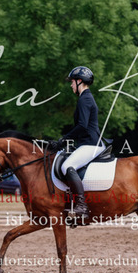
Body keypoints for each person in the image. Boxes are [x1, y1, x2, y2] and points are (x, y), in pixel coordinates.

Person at [50, 66, 105, 222]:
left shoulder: (84, 99)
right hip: (87, 142)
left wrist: (63, 140)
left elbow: (82, 126)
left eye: (72, 82)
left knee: (66, 166)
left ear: (79, 81)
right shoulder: (86, 98)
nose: (71, 85)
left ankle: (81, 205)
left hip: (90, 144)